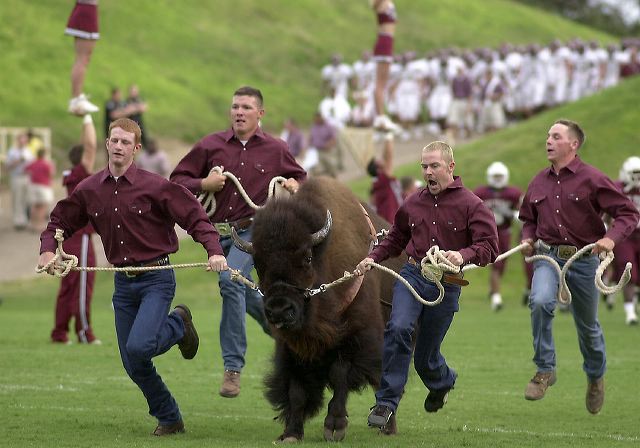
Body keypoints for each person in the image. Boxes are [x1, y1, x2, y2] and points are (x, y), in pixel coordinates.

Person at [38, 118, 227, 436]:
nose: (119, 147)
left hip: (157, 277)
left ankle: (178, 324)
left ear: (136, 148)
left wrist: (214, 250)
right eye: (115, 141)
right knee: (132, 361)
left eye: (126, 142)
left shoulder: (156, 186)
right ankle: (169, 417)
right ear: (107, 143)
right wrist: (47, 250)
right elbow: (60, 220)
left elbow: (194, 216)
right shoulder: (89, 190)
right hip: (123, 283)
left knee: (140, 347)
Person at [170, 86, 306, 398]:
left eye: (246, 107)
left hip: (254, 231)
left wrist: (294, 183)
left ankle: (232, 368)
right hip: (216, 232)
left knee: (230, 280)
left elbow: (302, 178)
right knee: (242, 286)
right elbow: (176, 182)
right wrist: (204, 183)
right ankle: (278, 325)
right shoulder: (210, 145)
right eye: (234, 107)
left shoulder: (276, 148)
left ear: (261, 114)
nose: (239, 112)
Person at [356, 141, 498, 434]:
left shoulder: (472, 204)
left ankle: (442, 381)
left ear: (450, 167)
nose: (429, 172)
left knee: (425, 356)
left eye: (434, 166)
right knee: (397, 328)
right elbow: (395, 238)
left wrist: (463, 255)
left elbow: (490, 247)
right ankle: (386, 403)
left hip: (446, 284)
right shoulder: (412, 203)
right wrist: (371, 258)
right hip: (413, 274)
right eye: (424, 166)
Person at [519, 119, 639, 414]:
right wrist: (527, 239)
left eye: (555, 136)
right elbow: (529, 220)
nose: (548, 140)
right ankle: (545, 370)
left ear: (573, 144)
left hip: (584, 262)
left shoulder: (594, 179)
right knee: (539, 301)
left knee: (588, 328)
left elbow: (627, 213)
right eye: (548, 135)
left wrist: (611, 238)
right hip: (547, 257)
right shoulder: (538, 181)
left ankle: (596, 377)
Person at [51, 114, 101, 345]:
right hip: (79, 238)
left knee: (69, 285)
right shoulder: (80, 174)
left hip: (72, 237)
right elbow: (90, 146)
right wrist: (87, 115)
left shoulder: (72, 175)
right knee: (82, 285)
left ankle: (60, 333)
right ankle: (84, 333)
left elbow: (85, 146)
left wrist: (83, 125)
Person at [473, 162, 522, 311]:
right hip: (486, 234)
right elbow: (471, 211)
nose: (498, 179)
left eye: (500, 176)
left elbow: (522, 215)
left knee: (501, 265)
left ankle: (493, 291)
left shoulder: (513, 193)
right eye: (495, 176)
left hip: (504, 232)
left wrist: (512, 214)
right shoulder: (481, 192)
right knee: (496, 264)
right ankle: (496, 297)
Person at [612, 156, 640, 325]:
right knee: (629, 272)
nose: (637, 177)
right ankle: (630, 312)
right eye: (634, 173)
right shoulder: (617, 189)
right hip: (624, 237)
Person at [371, 0, 401, 133]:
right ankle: (380, 116)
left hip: (388, 41)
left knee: (384, 82)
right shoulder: (380, 2)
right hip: (384, 41)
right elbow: (375, 5)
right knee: (380, 83)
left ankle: (381, 115)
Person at [65, 0, 100, 115]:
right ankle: (76, 99)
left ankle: (77, 98)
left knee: (85, 58)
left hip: (87, 9)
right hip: (86, 10)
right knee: (82, 59)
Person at [367, 132, 403, 223]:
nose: (381, 159)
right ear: (378, 169)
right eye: (378, 161)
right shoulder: (383, 180)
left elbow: (386, 157)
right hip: (392, 221)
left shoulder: (379, 180)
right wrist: (389, 136)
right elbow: (388, 157)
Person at [5, 133, 34, 229]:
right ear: (18, 140)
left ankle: (25, 220)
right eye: (22, 140)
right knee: (17, 199)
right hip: (17, 176)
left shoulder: (28, 151)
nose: (23, 142)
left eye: (25, 140)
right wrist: (18, 161)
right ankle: (18, 221)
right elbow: (7, 166)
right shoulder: (12, 151)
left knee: (27, 199)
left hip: (27, 177)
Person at [24, 149, 55, 233]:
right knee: (42, 206)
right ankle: (40, 225)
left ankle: (32, 224)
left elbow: (25, 169)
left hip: (33, 185)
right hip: (43, 186)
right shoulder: (46, 164)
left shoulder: (34, 163)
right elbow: (51, 174)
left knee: (34, 205)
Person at [308, 112, 338, 177]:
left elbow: (334, 138)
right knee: (315, 168)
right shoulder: (314, 127)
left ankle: (334, 178)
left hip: (327, 150)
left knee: (331, 166)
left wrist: (329, 144)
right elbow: (311, 137)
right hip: (317, 150)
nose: (316, 120)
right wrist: (309, 145)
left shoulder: (328, 126)